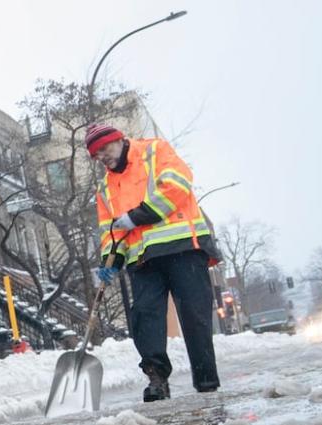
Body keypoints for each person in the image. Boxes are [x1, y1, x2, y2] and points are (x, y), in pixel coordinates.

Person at [86, 123, 222, 402]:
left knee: (195, 316)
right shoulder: (105, 188)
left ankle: (206, 379)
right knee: (145, 318)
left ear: (120, 140)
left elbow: (178, 185)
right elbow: (110, 230)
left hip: (183, 246)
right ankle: (157, 379)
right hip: (143, 259)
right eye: (97, 155)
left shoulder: (154, 151)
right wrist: (110, 260)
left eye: (105, 149)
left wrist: (137, 216)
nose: (103, 157)